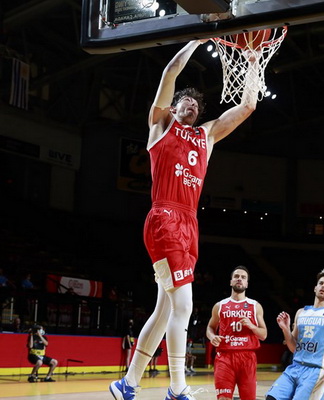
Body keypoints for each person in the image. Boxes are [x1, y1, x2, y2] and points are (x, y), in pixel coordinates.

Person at [109, 38, 259, 400]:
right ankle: (177, 388)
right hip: (165, 217)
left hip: (189, 224)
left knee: (165, 310)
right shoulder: (160, 126)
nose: (191, 105)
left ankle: (127, 384)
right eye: (185, 102)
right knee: (185, 306)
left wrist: (253, 63)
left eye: (196, 104)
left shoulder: (206, 136)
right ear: (173, 108)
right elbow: (171, 71)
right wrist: (196, 40)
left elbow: (248, 106)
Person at [266, 270, 324, 400]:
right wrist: (286, 329)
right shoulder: (301, 312)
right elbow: (293, 348)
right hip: (295, 367)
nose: (323, 286)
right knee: (271, 398)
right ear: (315, 288)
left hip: (316, 371)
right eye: (321, 283)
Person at [206, 266, 268, 400]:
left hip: (247, 357)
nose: (239, 279)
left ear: (247, 284)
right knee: (223, 398)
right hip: (225, 357)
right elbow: (210, 327)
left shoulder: (255, 306)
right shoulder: (220, 305)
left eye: (243, 277)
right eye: (236, 276)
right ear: (231, 281)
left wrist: (251, 326)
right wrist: (212, 336)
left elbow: (263, 335)